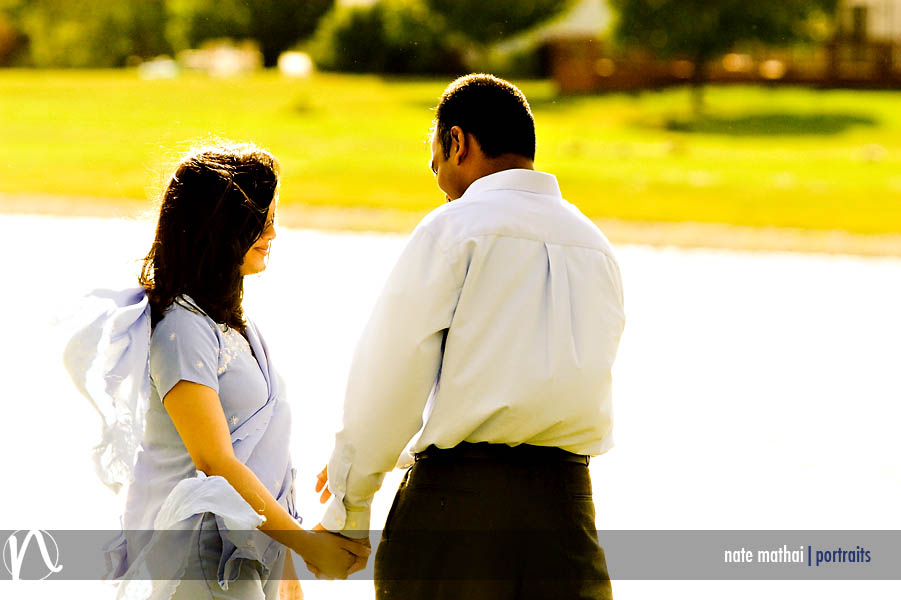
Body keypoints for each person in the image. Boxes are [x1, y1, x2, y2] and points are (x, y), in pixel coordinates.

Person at [314, 74, 625, 598]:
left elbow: (390, 378)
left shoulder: (453, 228)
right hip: (569, 513)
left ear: (457, 142)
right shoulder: (595, 245)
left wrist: (347, 508)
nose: (432, 165)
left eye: (433, 148)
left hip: (455, 512)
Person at [64, 142, 369, 600]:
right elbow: (215, 462)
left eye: (272, 218)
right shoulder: (182, 330)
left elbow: (260, 451)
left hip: (249, 550)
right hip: (205, 555)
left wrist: (284, 565)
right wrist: (306, 544)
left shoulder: (227, 322)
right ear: (219, 227)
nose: (272, 232)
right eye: (259, 221)